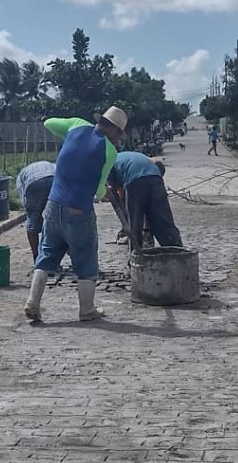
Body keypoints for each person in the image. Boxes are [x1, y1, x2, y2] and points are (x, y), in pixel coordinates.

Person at [24, 106, 126, 323]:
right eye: (119, 134)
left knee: (47, 254)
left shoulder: (76, 125)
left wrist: (68, 133)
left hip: (53, 205)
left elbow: (48, 122)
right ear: (114, 131)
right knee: (86, 258)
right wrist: (103, 188)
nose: (118, 139)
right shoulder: (109, 151)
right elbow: (98, 192)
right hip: (78, 210)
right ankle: (86, 310)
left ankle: (32, 302)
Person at [107, 152, 182, 251]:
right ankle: (177, 250)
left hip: (135, 181)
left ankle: (137, 253)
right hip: (155, 177)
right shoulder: (129, 157)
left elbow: (113, 192)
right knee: (163, 219)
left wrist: (124, 214)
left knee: (135, 221)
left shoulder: (109, 162)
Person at [15, 159, 56, 261]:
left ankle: (37, 257)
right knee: (57, 218)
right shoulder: (51, 164)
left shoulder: (21, 176)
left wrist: (35, 216)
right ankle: (60, 254)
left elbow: (26, 203)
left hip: (34, 182)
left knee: (33, 219)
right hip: (55, 178)